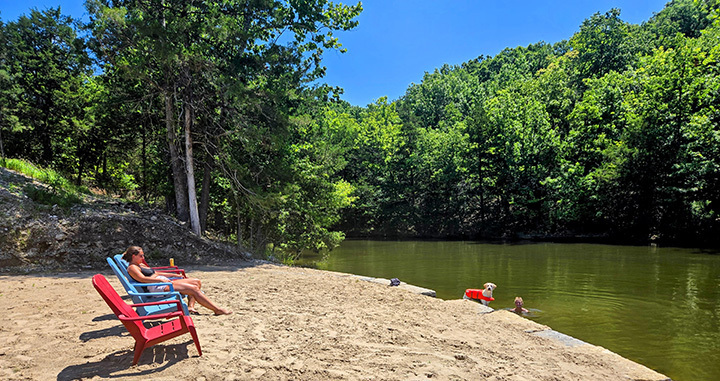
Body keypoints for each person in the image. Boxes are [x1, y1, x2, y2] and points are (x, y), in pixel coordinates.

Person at [123, 245, 232, 315]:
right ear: (134, 256)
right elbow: (142, 279)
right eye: (141, 256)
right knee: (193, 289)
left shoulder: (140, 264)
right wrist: (161, 281)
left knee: (196, 282)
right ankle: (216, 309)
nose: (143, 258)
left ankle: (190, 307)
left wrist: (172, 274)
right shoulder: (132, 268)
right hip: (157, 288)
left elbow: (156, 273)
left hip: (162, 282)